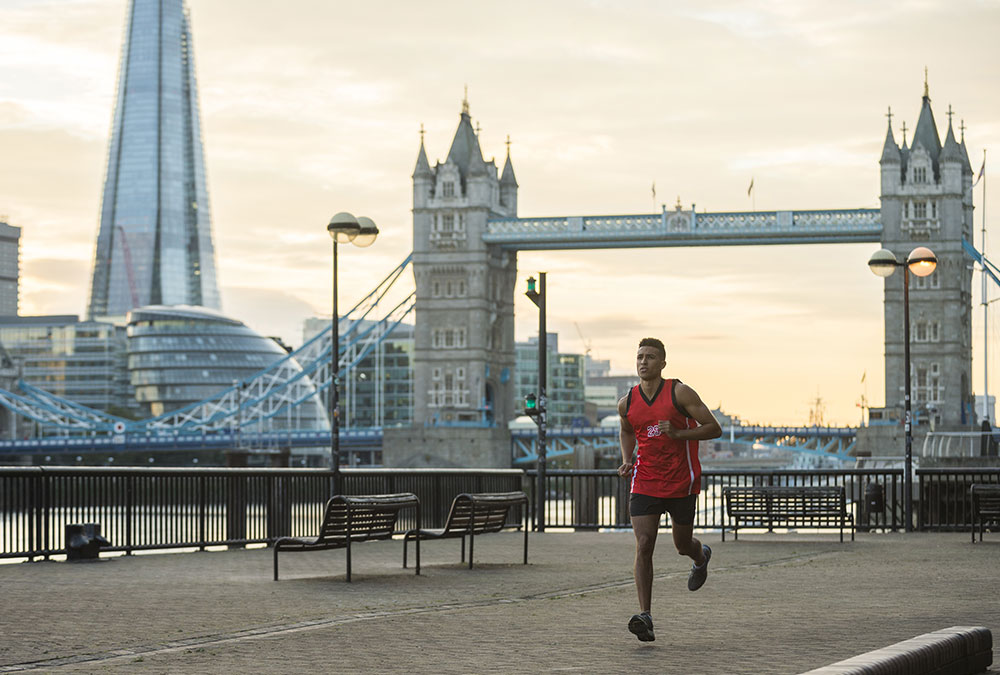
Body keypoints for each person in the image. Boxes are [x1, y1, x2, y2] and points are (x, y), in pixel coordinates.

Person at [617, 337, 722, 642]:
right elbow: (626, 429)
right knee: (645, 544)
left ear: (663, 363)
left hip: (681, 482)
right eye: (640, 356)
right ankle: (645, 616)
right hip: (645, 481)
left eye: (650, 357)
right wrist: (627, 459)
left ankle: (700, 556)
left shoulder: (679, 392)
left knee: (681, 544)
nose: (643, 362)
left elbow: (714, 428)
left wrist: (679, 433)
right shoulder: (628, 401)